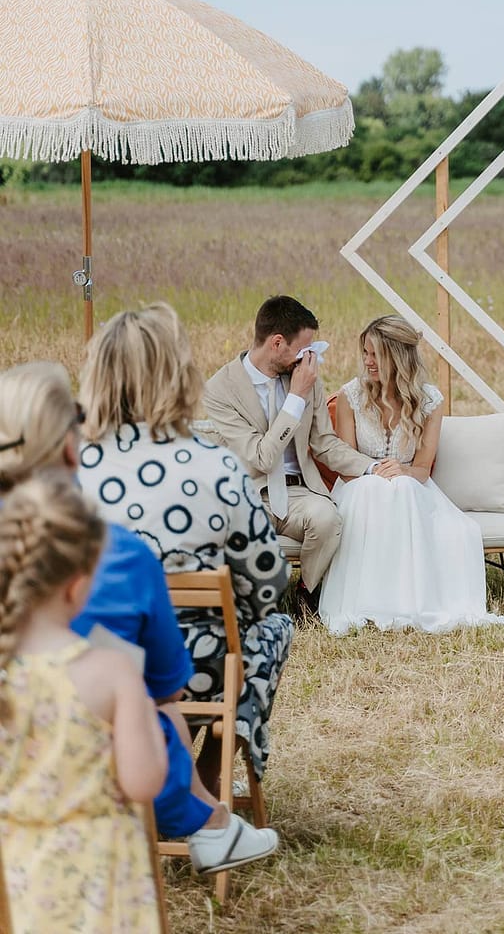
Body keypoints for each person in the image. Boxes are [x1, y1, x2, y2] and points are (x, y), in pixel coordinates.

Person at [0, 360, 278, 879]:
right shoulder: (118, 554)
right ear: (70, 447)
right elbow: (167, 690)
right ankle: (210, 822)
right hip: (90, 786)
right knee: (155, 703)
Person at [78, 302, 293, 788]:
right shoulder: (215, 467)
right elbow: (269, 583)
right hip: (195, 667)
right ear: (178, 376)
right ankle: (208, 774)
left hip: (89, 662)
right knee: (273, 627)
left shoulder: (72, 469)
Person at [0, 469, 168, 933]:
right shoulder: (111, 671)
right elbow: (143, 783)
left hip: (17, 874)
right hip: (100, 877)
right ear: (77, 584)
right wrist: (149, 720)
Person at [318, 315, 504, 635]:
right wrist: (375, 473)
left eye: (376, 355)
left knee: (402, 487)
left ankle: (406, 603)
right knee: (374, 490)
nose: (368, 362)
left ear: (397, 358)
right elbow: (346, 464)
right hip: (358, 485)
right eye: (365, 353)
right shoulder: (351, 396)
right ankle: (367, 603)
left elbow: (421, 467)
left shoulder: (429, 401)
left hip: (412, 487)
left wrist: (400, 471)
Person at [204, 295, 376, 601]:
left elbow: (324, 443)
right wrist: (295, 398)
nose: (308, 357)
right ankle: (257, 599)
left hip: (300, 491)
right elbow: (261, 456)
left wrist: (372, 467)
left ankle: (307, 593)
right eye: (303, 348)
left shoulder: (306, 379)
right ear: (277, 343)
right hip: (250, 492)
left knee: (328, 519)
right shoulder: (220, 389)